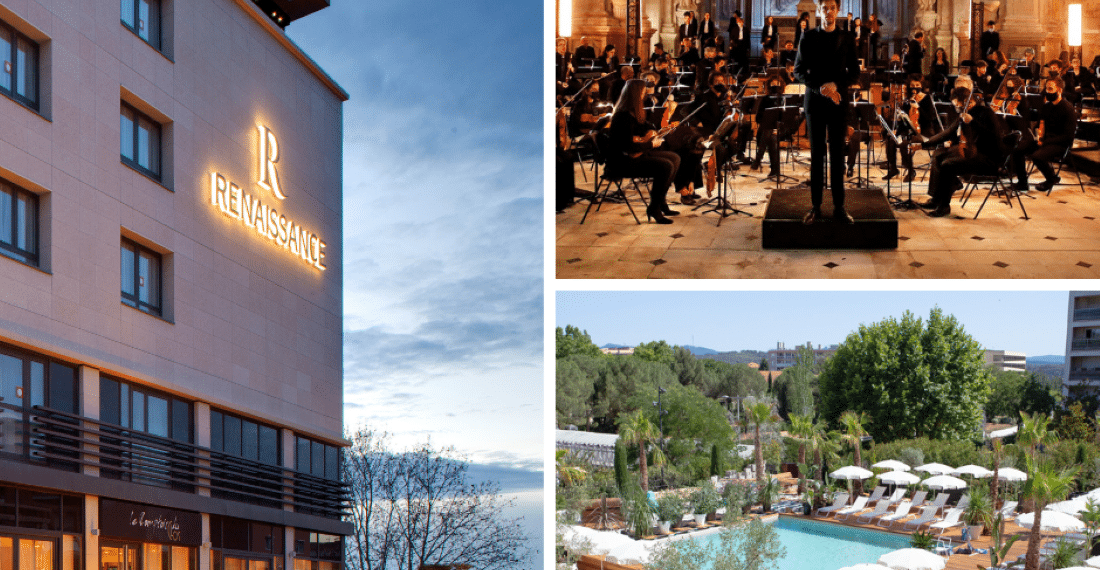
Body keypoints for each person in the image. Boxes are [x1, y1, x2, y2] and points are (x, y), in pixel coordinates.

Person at [794, 0, 861, 224]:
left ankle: (840, 207)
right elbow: (798, 70)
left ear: (838, 10)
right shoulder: (809, 36)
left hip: (838, 102)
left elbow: (854, 73)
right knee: (817, 156)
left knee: (836, 157)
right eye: (825, 8)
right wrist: (819, 87)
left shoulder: (848, 38)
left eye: (832, 8)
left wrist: (835, 84)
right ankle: (815, 207)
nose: (829, 11)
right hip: (815, 102)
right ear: (820, 10)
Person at [914, 86, 1005, 217]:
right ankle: (936, 199)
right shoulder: (965, 113)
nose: (957, 109)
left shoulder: (986, 112)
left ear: (967, 102)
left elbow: (995, 137)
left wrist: (973, 122)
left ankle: (944, 206)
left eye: (958, 106)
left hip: (988, 157)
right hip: (972, 152)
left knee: (948, 165)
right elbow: (947, 132)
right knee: (939, 154)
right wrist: (923, 144)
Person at [607, 79, 681, 223]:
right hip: (622, 162)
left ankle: (661, 202)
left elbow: (646, 127)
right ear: (635, 94)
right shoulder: (622, 116)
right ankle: (654, 208)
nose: (644, 94)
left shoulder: (634, 113)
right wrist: (651, 144)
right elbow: (628, 147)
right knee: (666, 166)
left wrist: (655, 131)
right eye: (642, 92)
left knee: (675, 158)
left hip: (636, 155)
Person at [1011, 77, 1076, 192]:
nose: (1047, 92)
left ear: (1059, 90)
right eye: (1046, 88)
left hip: (1060, 144)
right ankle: (1022, 183)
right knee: (1018, 151)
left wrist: (1046, 141)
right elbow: (1039, 123)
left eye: (1051, 89)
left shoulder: (1068, 109)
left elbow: (1068, 136)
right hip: (1045, 140)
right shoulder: (1047, 106)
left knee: (1037, 156)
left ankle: (1051, 179)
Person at [884, 75, 938, 182]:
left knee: (904, 143)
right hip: (910, 131)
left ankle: (911, 170)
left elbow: (930, 119)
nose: (914, 87)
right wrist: (896, 131)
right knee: (890, 140)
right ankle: (893, 168)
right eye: (912, 85)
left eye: (917, 85)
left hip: (924, 132)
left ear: (921, 86)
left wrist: (919, 108)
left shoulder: (927, 99)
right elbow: (905, 122)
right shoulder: (908, 101)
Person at [751, 76, 787, 178]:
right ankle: (775, 171)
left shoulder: (784, 98)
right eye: (773, 84)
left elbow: (786, 118)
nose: (775, 86)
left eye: (777, 84)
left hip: (781, 130)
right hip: (767, 129)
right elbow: (758, 118)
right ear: (769, 86)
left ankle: (758, 159)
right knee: (771, 137)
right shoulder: (765, 99)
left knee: (770, 134)